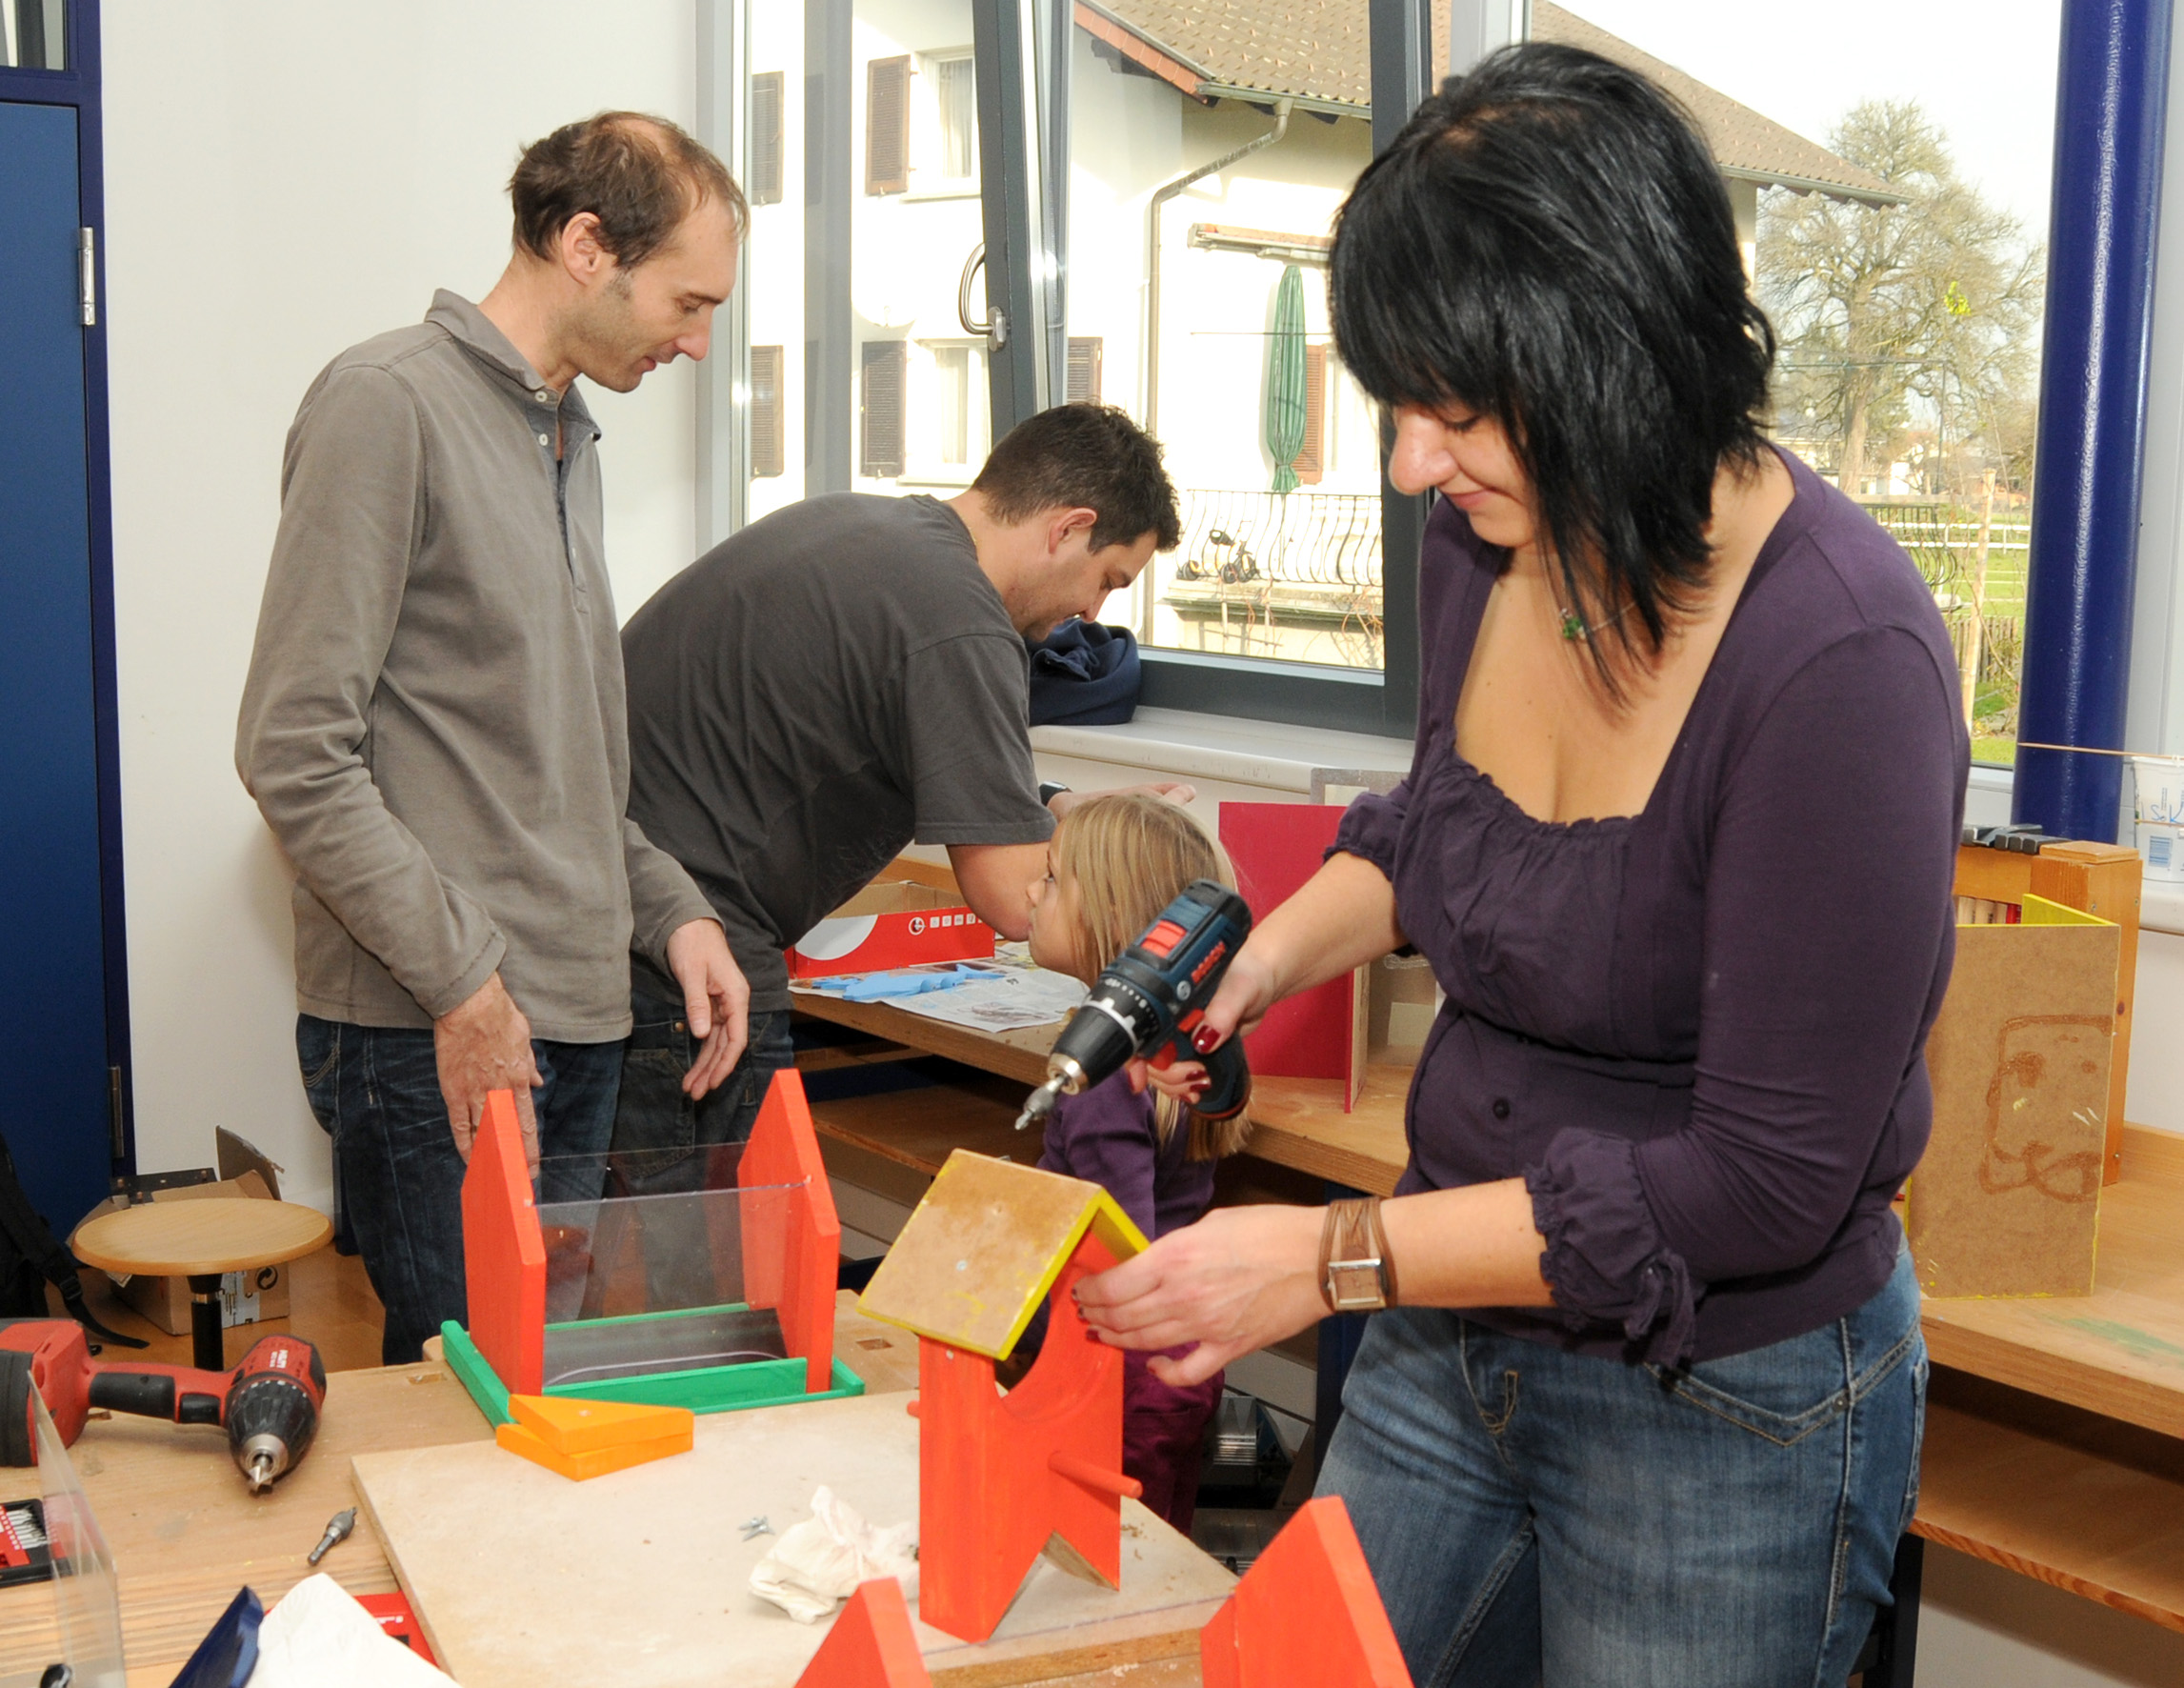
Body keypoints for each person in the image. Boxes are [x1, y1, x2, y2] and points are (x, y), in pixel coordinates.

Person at [1073, 44, 1966, 1685]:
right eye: (1398, 406)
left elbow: (1756, 1182)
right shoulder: (1485, 539)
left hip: (1715, 1401)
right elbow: (1438, 830)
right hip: (1449, 1329)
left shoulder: (1840, 663)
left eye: (1457, 411)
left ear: (1613, 356)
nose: (1411, 463)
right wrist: (1253, 966)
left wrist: (1329, 1259)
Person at [237, 112, 751, 1364]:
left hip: (571, 1015)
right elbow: (293, 752)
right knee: (466, 1396)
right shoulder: (387, 405)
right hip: (436, 1022)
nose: (695, 342)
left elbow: (556, 771)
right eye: (687, 303)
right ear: (586, 247)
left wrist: (673, 914)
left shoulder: (565, 436)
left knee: (531, 1383)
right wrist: (465, 986)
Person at [613, 403, 1190, 1159]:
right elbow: (1012, 896)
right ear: (1067, 529)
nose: (1092, 611)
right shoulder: (962, 620)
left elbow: (923, 752)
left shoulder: (859, 527)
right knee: (714, 1228)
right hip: (686, 953)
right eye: (1107, 579)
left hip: (611, 904)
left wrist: (1061, 809)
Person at [1021, 794, 1250, 1530]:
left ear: (1112, 919)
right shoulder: (1164, 1063)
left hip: (1112, 1374)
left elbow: (1116, 1247)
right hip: (1176, 1365)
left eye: (1050, 878)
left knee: (1104, 1557)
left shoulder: (1100, 1082)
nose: (1029, 892)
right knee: (1161, 1557)